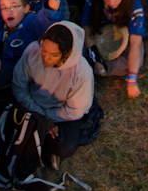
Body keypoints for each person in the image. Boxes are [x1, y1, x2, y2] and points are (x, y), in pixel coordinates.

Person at [11, 22, 94, 167]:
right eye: (44, 50)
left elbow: (74, 111)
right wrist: (39, 116)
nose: (46, 58)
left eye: (54, 55)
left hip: (60, 115)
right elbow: (19, 87)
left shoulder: (82, 73)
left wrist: (48, 118)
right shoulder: (33, 51)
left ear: (67, 54)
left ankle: (39, 144)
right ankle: (38, 144)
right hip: (32, 105)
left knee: (65, 146)